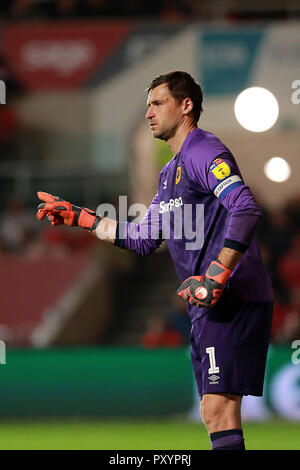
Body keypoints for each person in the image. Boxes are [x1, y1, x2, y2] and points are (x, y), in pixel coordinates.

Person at [36, 70, 273, 450]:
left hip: (230, 297)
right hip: (208, 303)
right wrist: (81, 217)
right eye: (147, 105)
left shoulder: (203, 150)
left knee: (218, 410)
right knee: (215, 414)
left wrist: (215, 276)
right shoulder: (169, 174)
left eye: (157, 103)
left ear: (186, 106)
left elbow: (245, 208)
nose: (148, 112)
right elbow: (145, 240)